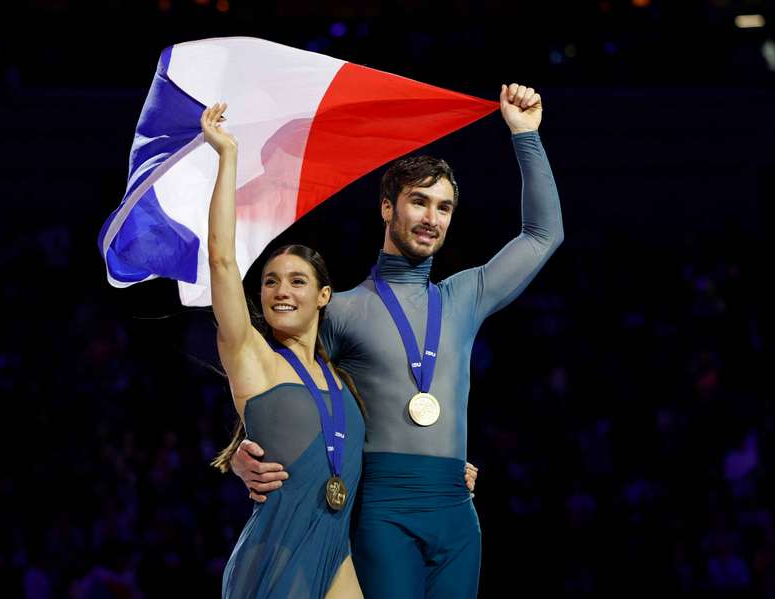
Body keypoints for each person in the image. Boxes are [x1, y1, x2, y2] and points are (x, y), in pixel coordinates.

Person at [231, 82, 563, 597]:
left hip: (457, 509)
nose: (432, 219)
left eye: (444, 207)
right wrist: (240, 449)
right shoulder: (338, 308)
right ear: (387, 208)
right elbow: (282, 383)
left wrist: (525, 135)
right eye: (419, 202)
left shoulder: (464, 296)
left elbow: (543, 234)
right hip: (382, 510)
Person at [202, 102, 366, 598]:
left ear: (323, 297)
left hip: (336, 551)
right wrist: (227, 155)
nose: (280, 290)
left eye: (297, 281)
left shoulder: (343, 377)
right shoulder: (252, 356)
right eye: (271, 281)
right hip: (274, 556)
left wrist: (449, 473)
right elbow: (222, 260)